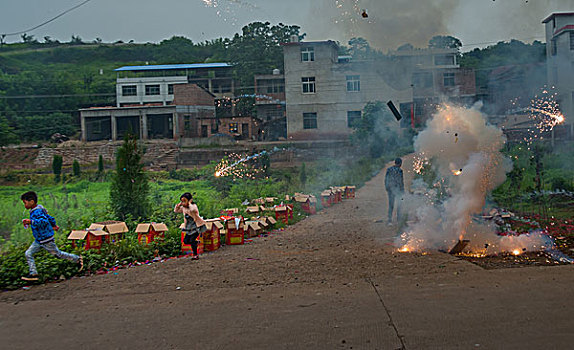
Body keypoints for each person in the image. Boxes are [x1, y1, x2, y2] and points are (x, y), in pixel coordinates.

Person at [20, 191, 83, 281]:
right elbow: (49, 218)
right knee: (28, 253)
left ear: (32, 201)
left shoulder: (37, 211)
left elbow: (44, 221)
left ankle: (77, 259)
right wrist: (54, 225)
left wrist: (31, 222)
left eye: (25, 203)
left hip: (46, 239)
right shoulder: (39, 209)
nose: (24, 205)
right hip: (39, 239)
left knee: (58, 254)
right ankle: (33, 274)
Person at [174, 192, 207, 260]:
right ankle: (196, 242)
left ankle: (195, 255)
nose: (183, 203)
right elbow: (176, 210)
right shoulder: (183, 208)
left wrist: (189, 203)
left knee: (192, 240)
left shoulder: (193, 206)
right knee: (186, 241)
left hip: (196, 226)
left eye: (184, 201)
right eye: (182, 201)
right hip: (189, 227)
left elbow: (192, 209)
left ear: (189, 200)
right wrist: (179, 204)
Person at [384, 157, 404, 225]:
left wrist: (387, 187)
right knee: (399, 204)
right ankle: (399, 220)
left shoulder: (389, 169)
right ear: (400, 163)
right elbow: (401, 182)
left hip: (390, 189)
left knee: (391, 205)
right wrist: (402, 191)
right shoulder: (400, 171)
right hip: (397, 189)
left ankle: (389, 220)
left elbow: (386, 179)